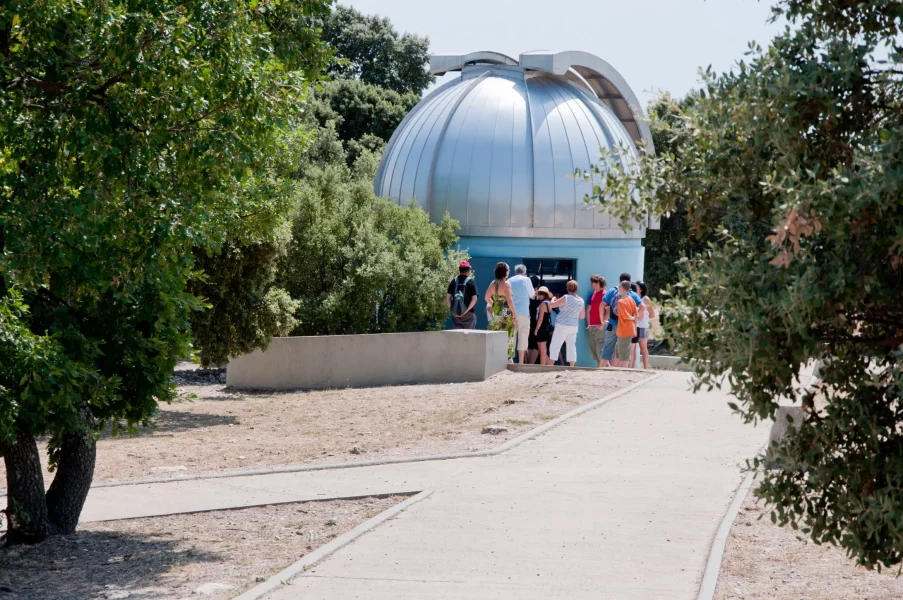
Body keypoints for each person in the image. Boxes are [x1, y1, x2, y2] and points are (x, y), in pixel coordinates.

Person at [600, 272, 643, 367]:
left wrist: (602, 320)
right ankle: (623, 372)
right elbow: (642, 307)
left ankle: (600, 369)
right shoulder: (633, 296)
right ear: (630, 282)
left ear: (620, 281)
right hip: (625, 327)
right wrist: (634, 318)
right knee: (624, 351)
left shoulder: (613, 291)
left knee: (607, 349)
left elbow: (602, 304)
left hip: (612, 324)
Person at [547, 280, 585, 367]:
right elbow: (582, 316)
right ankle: (572, 366)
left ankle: (549, 366)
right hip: (573, 326)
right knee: (571, 347)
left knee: (555, 346)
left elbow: (552, 305)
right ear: (577, 289)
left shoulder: (566, 297)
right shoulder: (581, 301)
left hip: (562, 324)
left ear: (567, 288)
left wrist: (554, 298)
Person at [484, 262, 517, 361]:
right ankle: (508, 359)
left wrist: (495, 304)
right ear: (505, 272)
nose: (509, 271)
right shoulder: (506, 284)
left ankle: (498, 358)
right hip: (506, 313)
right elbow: (510, 301)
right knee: (508, 336)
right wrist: (515, 316)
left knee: (497, 334)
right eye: (508, 270)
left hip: (496, 313)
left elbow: (486, 297)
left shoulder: (493, 283)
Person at [507, 264, 535, 364]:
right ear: (525, 272)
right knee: (523, 338)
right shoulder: (526, 280)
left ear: (515, 272)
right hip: (524, 312)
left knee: (511, 337)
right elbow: (532, 296)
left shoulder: (509, 280)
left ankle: (510, 360)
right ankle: (521, 362)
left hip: (511, 312)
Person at [446, 261, 478, 329]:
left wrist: (452, 309)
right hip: (468, 314)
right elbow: (474, 299)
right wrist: (465, 311)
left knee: (457, 336)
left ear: (459, 270)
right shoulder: (471, 281)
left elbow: (448, 298)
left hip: (455, 314)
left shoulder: (454, 281)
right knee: (470, 335)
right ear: (468, 270)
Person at [631, 281, 655, 369]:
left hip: (643, 327)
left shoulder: (645, 299)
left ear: (641, 289)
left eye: (636, 287)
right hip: (634, 326)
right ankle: (632, 368)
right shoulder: (633, 298)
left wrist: (643, 316)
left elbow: (652, 314)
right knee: (633, 348)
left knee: (643, 347)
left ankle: (645, 368)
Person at [615, 281, 638, 367]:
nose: (618, 289)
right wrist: (635, 328)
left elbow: (625, 315)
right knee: (623, 352)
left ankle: (623, 372)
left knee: (624, 354)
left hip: (624, 331)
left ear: (623, 289)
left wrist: (631, 318)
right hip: (629, 330)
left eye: (619, 287)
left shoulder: (621, 301)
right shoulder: (632, 300)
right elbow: (636, 314)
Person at [586, 274, 607, 367]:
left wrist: (602, 324)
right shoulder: (593, 294)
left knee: (601, 350)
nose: (591, 284)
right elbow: (588, 310)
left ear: (598, 283)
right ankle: (600, 369)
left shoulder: (605, 295)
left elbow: (608, 311)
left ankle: (604, 370)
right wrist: (589, 324)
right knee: (595, 350)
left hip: (600, 326)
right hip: (592, 326)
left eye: (593, 282)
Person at [533, 286, 554, 365]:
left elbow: (540, 319)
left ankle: (543, 368)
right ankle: (549, 366)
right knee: (544, 351)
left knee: (542, 351)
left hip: (541, 329)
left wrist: (536, 329)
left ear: (544, 294)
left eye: (540, 294)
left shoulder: (542, 304)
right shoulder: (549, 303)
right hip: (547, 328)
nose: (539, 295)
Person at [526, 275, 542, 364]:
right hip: (535, 321)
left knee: (528, 343)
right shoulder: (538, 295)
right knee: (535, 344)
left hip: (527, 319)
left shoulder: (527, 294)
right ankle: (531, 363)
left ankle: (527, 362)